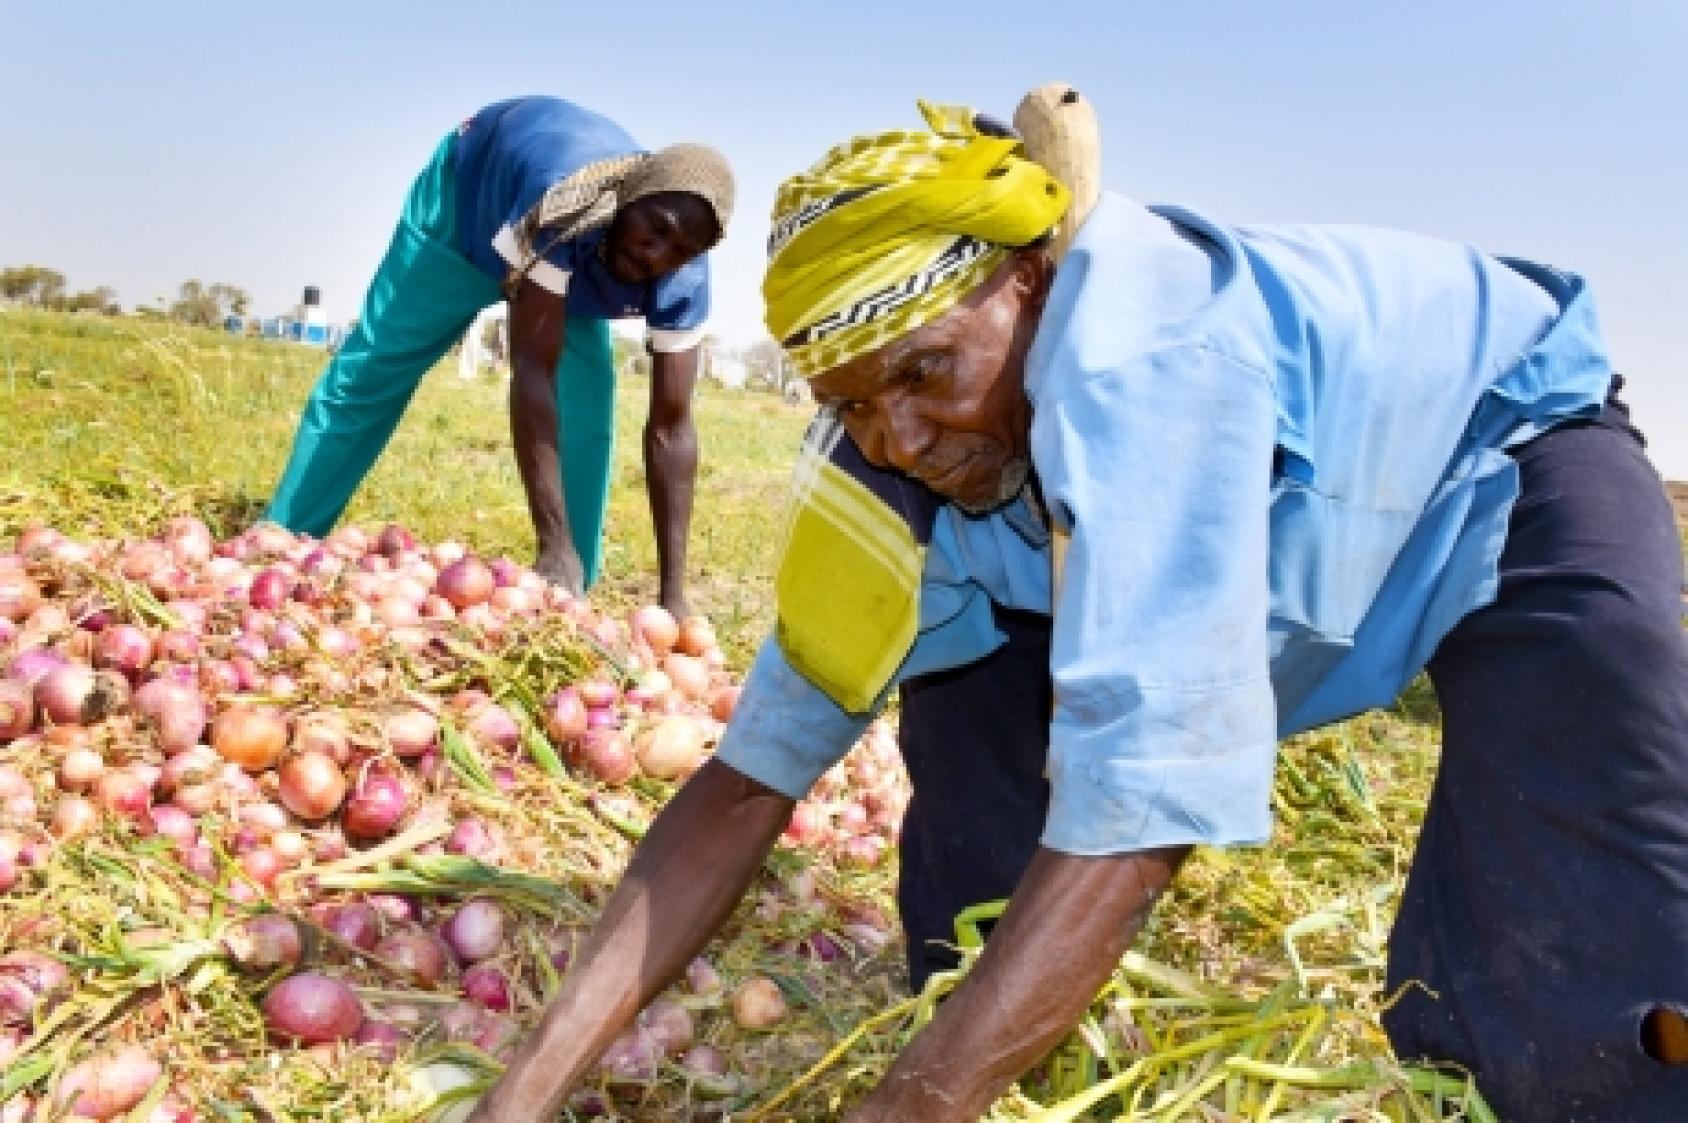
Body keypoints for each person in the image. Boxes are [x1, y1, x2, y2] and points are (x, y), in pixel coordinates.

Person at [469, 99, 1688, 1121]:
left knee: (1586, 785)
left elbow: (1135, 817)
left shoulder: (1145, 368)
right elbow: (744, 783)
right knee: (964, 697)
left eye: (925, 371)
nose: (901, 436)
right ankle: (996, 1034)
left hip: (1493, 457)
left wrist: (901, 1109)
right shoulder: (888, 464)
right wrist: (518, 1093)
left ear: (1029, 281)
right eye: (853, 402)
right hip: (1213, 551)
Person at [263, 96, 735, 615]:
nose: (657, 256)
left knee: (586, 409)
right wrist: (548, 540)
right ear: (630, 198)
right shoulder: (567, 203)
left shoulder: (682, 271)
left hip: (580, 266)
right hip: (467, 211)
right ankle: (281, 541)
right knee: (377, 366)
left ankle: (567, 593)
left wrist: (674, 599)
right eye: (657, 230)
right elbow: (532, 371)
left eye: (680, 251)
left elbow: (672, 428)